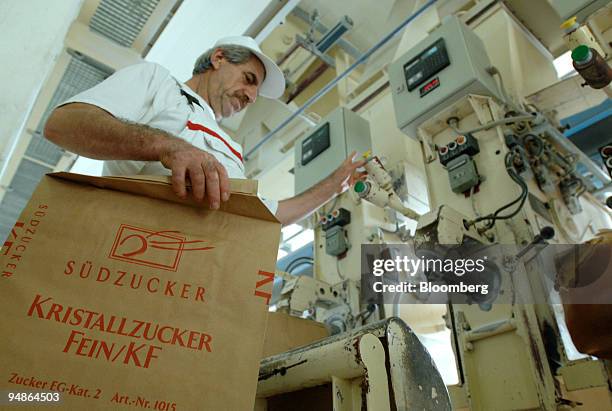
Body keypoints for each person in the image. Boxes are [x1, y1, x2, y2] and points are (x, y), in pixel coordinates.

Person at [44, 36, 364, 226]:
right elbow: (64, 124)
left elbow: (273, 214)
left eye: (255, 91)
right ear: (219, 58)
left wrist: (336, 184)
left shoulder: (232, 150)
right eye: (249, 79)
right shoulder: (158, 82)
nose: (251, 96)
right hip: (129, 255)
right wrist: (167, 146)